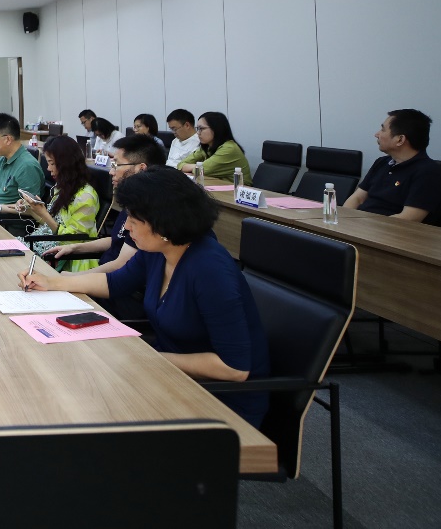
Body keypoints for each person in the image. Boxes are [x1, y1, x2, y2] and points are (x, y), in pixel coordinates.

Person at [20, 166, 270, 428]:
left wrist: (145, 357)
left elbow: (234, 369)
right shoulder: (159, 250)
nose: (126, 227)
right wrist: (53, 282)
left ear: (163, 223)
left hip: (219, 403)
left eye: (134, 220)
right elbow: (114, 283)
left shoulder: (210, 270)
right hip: (169, 379)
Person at [39, 134, 168, 320]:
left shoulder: (148, 212)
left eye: (116, 165)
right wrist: (75, 247)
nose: (111, 171)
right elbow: (117, 239)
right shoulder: (133, 202)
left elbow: (120, 266)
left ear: (141, 168)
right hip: (106, 281)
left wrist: (74, 278)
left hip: (121, 296)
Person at [344, 109, 441, 223]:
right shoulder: (382, 162)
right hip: (359, 226)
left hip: (388, 231)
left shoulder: (427, 171)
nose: (377, 134)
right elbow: (357, 198)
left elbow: (409, 218)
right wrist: (344, 221)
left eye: (383, 130)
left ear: (400, 139)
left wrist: (366, 226)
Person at [16, 136, 99, 271]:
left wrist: (44, 213)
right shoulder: (63, 188)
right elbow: (51, 225)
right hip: (46, 246)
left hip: (63, 259)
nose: (48, 168)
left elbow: (72, 240)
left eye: (52, 163)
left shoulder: (85, 197)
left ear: (66, 163)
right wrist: (32, 209)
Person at [176, 112, 251, 184]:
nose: (198, 133)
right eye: (197, 128)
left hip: (239, 189)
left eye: (201, 128)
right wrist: (199, 166)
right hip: (216, 185)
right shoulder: (206, 147)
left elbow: (204, 170)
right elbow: (180, 165)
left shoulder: (229, 148)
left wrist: (199, 166)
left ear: (216, 128)